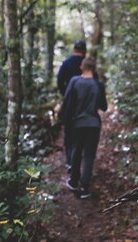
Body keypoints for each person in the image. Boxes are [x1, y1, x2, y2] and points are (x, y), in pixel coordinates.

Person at [60, 57, 107, 199]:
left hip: (77, 123)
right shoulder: (98, 85)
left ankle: (74, 181)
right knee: (89, 155)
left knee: (76, 151)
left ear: (81, 67)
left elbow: (67, 102)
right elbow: (103, 107)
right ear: (94, 69)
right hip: (93, 124)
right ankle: (85, 188)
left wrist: (64, 121)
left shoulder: (74, 81)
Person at [57, 40, 87, 173]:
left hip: (70, 103)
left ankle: (70, 162)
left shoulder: (67, 63)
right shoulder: (88, 64)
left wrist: (65, 94)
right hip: (85, 103)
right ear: (84, 50)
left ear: (74, 49)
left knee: (69, 132)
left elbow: (59, 81)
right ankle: (79, 161)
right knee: (83, 132)